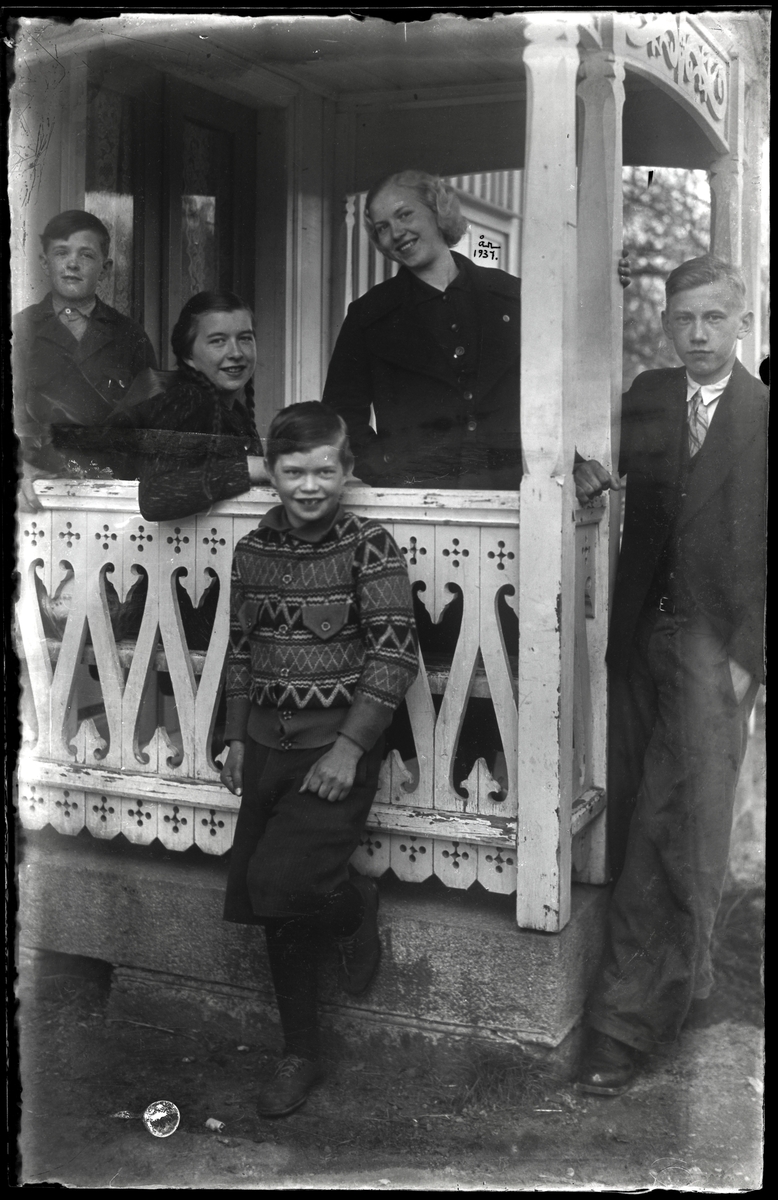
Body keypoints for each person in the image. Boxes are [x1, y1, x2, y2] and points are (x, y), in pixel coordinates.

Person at [573, 255, 767, 1096]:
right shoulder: (652, 395)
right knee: (652, 818)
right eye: (683, 319)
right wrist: (580, 465)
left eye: (713, 319)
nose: (697, 335)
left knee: (671, 824)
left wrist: (745, 661)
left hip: (713, 650)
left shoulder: (763, 415)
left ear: (742, 323)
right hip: (638, 639)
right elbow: (594, 453)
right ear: (666, 323)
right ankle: (689, 983)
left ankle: (623, 1030)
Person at [219, 402, 418, 1117]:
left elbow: (394, 654)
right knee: (267, 900)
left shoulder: (369, 547)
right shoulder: (252, 551)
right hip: (267, 746)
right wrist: (236, 737)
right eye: (294, 471)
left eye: (324, 471)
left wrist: (349, 747)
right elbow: (241, 651)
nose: (310, 486)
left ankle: (353, 904)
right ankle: (300, 1051)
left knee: (277, 883)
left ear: (347, 470)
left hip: (333, 750)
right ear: (270, 474)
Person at [322, 169, 631, 490]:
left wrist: (609, 275)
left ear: (438, 210)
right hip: (418, 502)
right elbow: (341, 415)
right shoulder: (368, 315)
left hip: (517, 498)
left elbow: (551, 399)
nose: (396, 232)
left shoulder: (514, 296)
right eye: (382, 227)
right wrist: (388, 473)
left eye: (404, 214)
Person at [13, 209, 157, 490]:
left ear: (105, 269)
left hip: (112, 487)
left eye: (86, 255)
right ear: (45, 262)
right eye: (61, 253)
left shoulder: (130, 336)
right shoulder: (19, 331)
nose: (72, 264)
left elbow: (151, 425)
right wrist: (18, 471)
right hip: (41, 487)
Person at [111, 289, 267, 522]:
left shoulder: (235, 411)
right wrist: (250, 468)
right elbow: (156, 496)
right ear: (189, 356)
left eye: (245, 338)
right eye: (218, 341)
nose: (236, 353)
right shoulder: (188, 400)